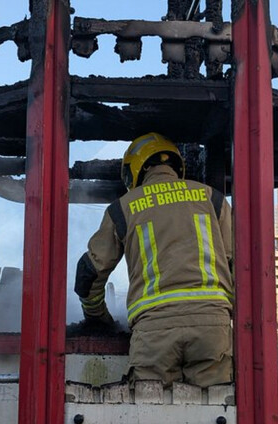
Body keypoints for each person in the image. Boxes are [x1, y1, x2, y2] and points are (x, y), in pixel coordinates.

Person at [74, 132, 234, 388]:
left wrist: (97, 317)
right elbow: (237, 264)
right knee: (216, 403)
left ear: (134, 171)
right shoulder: (213, 199)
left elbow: (90, 272)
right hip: (212, 327)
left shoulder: (123, 207)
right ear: (176, 165)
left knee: (150, 403)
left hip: (154, 331)